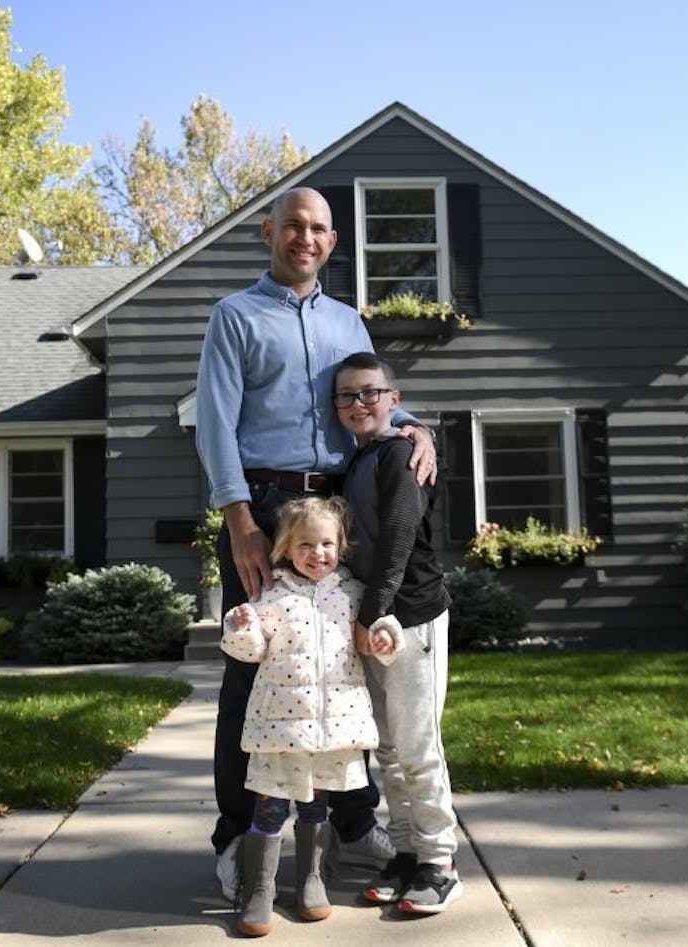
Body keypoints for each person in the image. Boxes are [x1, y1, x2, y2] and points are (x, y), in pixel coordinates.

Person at [194, 186, 437, 899]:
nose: (304, 238)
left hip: (337, 505)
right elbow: (214, 420)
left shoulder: (347, 321)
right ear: (269, 232)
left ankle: (354, 831)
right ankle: (240, 837)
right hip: (265, 510)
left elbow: (370, 394)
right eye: (292, 226)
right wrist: (239, 516)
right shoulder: (234, 317)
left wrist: (416, 425)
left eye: (318, 229)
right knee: (253, 670)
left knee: (345, 666)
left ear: (332, 242)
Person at [220, 496, 402, 936]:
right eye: (304, 545)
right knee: (269, 808)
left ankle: (311, 881)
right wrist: (241, 627)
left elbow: (371, 636)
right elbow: (250, 650)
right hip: (280, 729)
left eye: (326, 543)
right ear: (285, 548)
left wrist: (384, 636)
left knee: (315, 807)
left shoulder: (352, 593)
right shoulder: (271, 595)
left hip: (331, 728)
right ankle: (260, 889)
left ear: (340, 544)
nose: (317, 553)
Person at [335, 352, 464, 914]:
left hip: (410, 614)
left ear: (393, 397)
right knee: (387, 749)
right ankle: (407, 851)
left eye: (370, 392)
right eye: (347, 396)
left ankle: (440, 860)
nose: (359, 403)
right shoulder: (358, 460)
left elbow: (401, 533)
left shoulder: (402, 453)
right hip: (373, 615)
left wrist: (374, 611)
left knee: (417, 745)